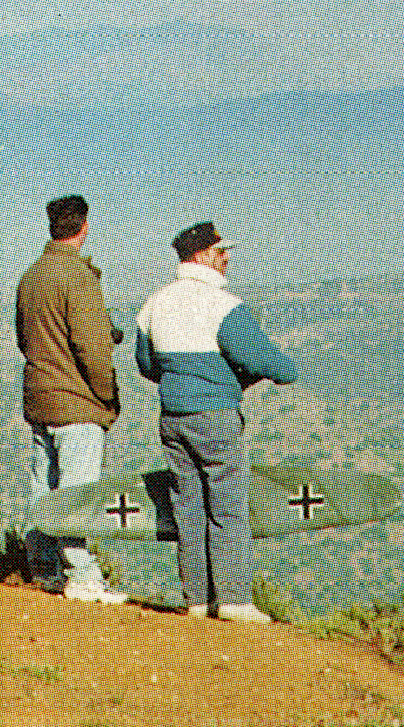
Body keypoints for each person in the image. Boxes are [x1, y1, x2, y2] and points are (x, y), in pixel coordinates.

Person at [134, 221, 296, 624]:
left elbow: (146, 365)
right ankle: (235, 601)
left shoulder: (154, 304)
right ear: (204, 255)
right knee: (227, 506)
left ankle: (198, 601)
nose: (227, 260)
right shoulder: (225, 306)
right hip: (216, 417)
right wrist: (252, 375)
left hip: (172, 418)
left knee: (188, 511)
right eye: (223, 253)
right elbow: (271, 364)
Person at [15, 193, 128, 604]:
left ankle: (45, 568)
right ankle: (83, 576)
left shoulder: (30, 276)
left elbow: (24, 339)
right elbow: (93, 347)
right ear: (83, 228)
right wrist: (106, 397)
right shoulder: (79, 277)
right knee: (79, 492)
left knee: (44, 489)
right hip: (76, 402)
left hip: (39, 397)